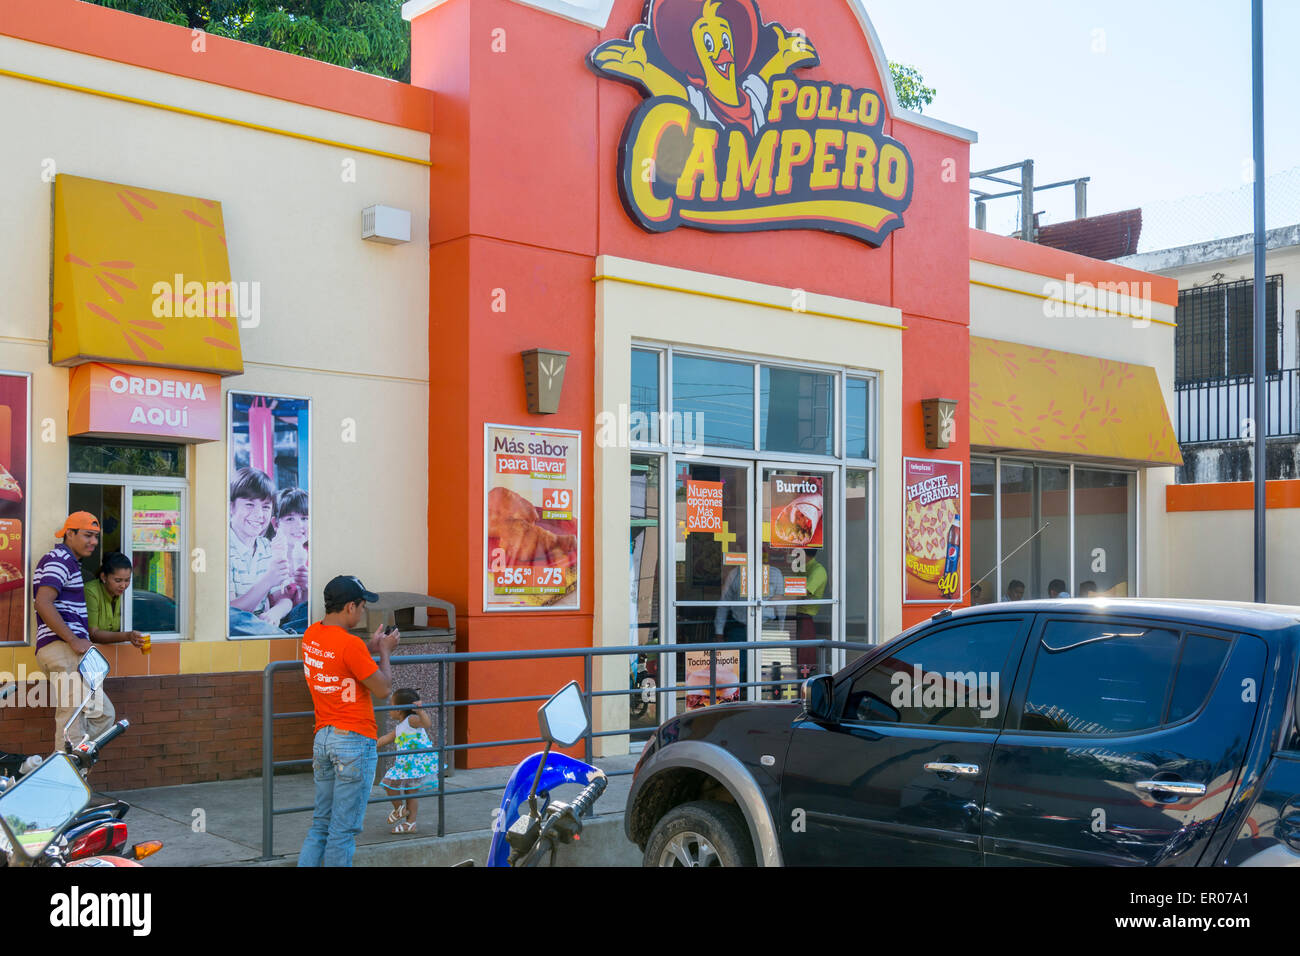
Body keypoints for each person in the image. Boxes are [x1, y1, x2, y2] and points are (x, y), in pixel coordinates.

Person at [298, 575, 398, 867]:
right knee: (343, 831)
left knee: (321, 825)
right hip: (353, 741)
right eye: (363, 607)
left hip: (323, 739)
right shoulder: (350, 645)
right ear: (350, 607)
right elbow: (383, 689)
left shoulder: (311, 635)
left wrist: (367, 647)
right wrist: (384, 652)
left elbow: (338, 659)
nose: (363, 612)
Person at [33, 513, 118, 750]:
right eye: (88, 535)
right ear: (69, 534)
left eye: (96, 537)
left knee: (103, 715)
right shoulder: (59, 558)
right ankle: (67, 778)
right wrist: (73, 639)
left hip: (71, 652)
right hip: (62, 649)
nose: (94, 542)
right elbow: (42, 602)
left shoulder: (68, 562)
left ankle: (74, 765)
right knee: (72, 720)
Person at [228, 467, 291, 636]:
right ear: (231, 507)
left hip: (262, 623)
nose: (258, 514)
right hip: (235, 627)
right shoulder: (223, 548)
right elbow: (230, 612)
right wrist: (268, 580)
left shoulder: (266, 547)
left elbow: (284, 600)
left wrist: (274, 613)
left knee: (305, 610)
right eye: (249, 504)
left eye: (265, 507)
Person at [377, 688, 438, 835]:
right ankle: (409, 822)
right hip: (408, 765)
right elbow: (385, 739)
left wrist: (421, 712)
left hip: (415, 764)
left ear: (398, 710)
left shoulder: (411, 720)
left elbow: (427, 724)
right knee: (409, 791)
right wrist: (368, 745)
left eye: (391, 705)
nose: (389, 708)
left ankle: (401, 811)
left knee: (389, 783)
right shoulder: (399, 727)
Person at [265, 488, 310, 635]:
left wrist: (306, 587)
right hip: (274, 623)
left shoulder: (316, 557)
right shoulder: (267, 554)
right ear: (276, 523)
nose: (299, 525)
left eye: (305, 518)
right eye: (290, 519)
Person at [84, 552, 146, 649]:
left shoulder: (125, 594)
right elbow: (93, 634)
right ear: (104, 577)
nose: (123, 585)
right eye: (118, 580)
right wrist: (128, 636)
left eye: (127, 580)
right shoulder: (90, 591)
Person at [793, 549, 827, 678]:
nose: (794, 555)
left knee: (805, 658)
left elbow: (803, 593)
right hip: (796, 617)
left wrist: (780, 598)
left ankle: (805, 685)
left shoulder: (818, 570)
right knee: (797, 656)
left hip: (806, 618)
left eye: (797, 552)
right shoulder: (801, 568)